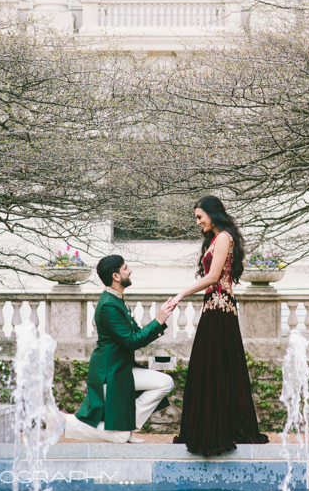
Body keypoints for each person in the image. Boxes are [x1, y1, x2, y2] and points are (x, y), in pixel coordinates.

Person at [171, 195, 269, 456]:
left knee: (215, 367)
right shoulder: (216, 238)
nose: (198, 222)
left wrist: (181, 294)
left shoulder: (224, 237)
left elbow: (213, 277)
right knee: (212, 366)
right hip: (214, 307)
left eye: (199, 217)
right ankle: (212, 428)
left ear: (213, 214)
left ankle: (218, 431)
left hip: (219, 307)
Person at [65, 255, 176, 444]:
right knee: (121, 437)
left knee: (165, 382)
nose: (130, 270)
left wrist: (159, 321)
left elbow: (135, 335)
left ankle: (129, 424)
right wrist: (158, 321)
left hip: (122, 368)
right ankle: (67, 423)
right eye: (126, 268)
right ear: (116, 276)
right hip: (110, 374)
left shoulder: (116, 299)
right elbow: (131, 341)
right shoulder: (109, 304)